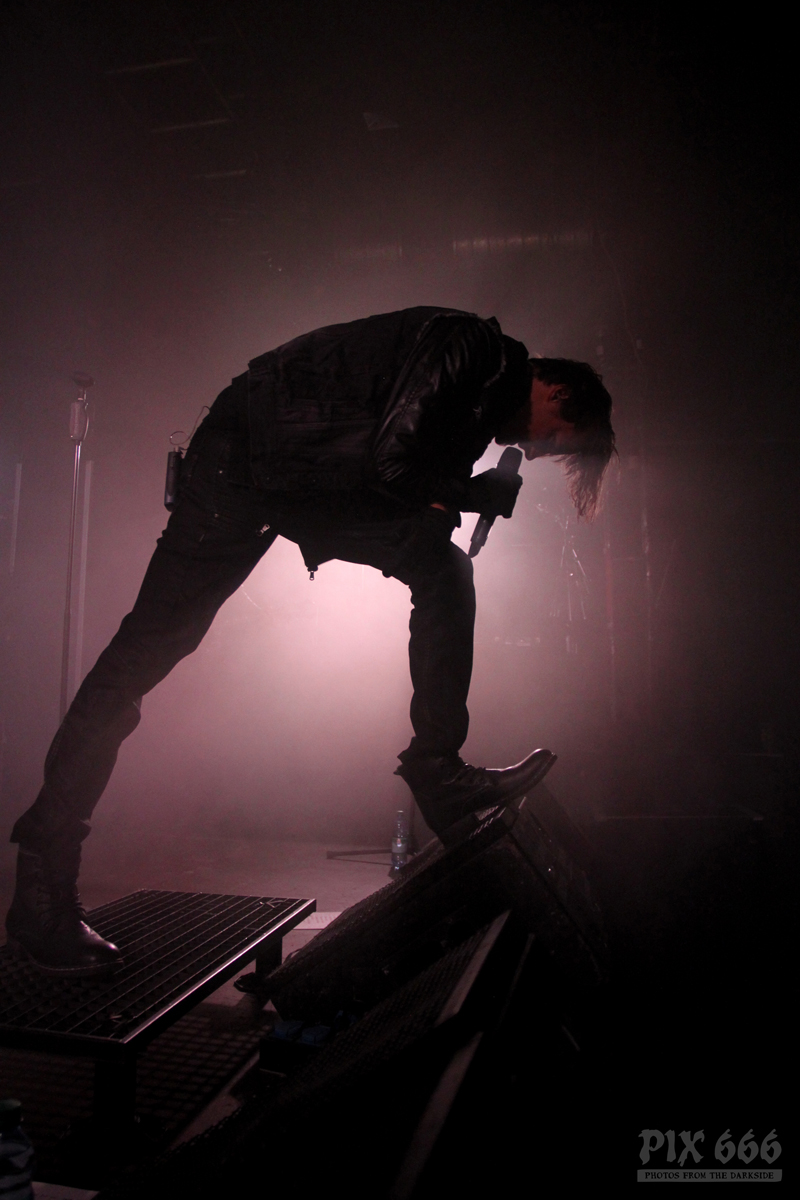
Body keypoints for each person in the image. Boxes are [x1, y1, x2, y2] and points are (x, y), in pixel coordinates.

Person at [5, 306, 615, 976]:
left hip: (303, 481)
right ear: (559, 391)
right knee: (139, 660)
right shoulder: (471, 349)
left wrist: (465, 495)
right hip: (242, 465)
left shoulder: (478, 403)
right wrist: (467, 492)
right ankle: (42, 883)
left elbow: (412, 499)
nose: (539, 452)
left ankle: (438, 769)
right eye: (557, 441)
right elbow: (390, 464)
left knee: (445, 571)